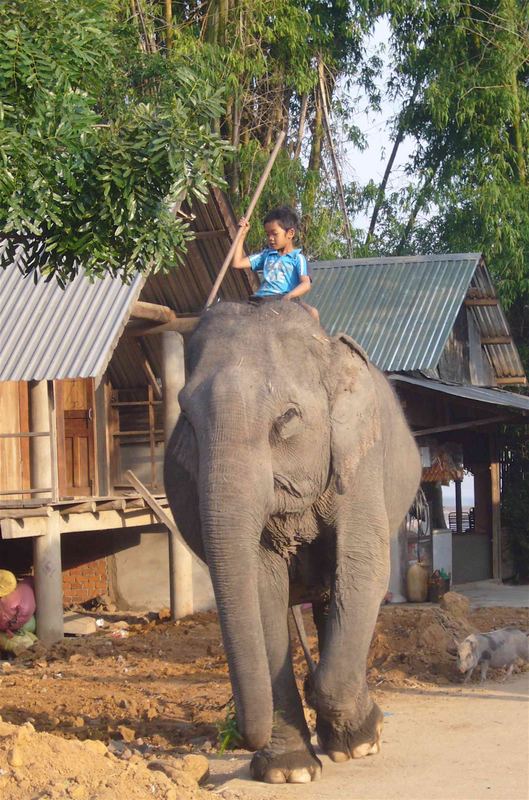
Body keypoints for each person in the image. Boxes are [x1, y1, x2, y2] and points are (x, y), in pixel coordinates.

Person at [231, 205, 319, 321]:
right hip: (260, 299)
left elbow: (306, 284)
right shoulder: (267, 255)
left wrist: (289, 296)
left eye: (274, 233)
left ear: (290, 233)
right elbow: (237, 263)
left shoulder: (298, 258)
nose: (270, 238)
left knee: (313, 312)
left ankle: (320, 339)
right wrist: (242, 235)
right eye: (268, 235)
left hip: (286, 298)